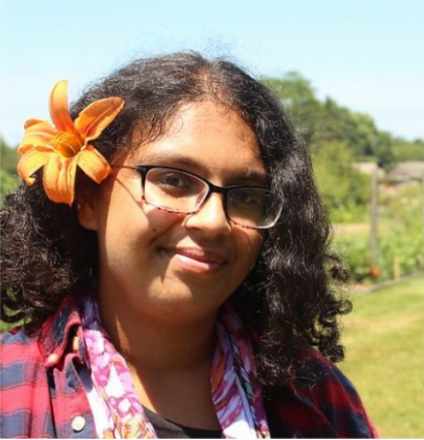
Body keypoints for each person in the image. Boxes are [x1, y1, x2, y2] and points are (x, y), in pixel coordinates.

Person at [0, 52, 378, 439]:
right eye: (175, 181)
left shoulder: (316, 395)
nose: (213, 221)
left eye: (246, 195)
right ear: (87, 199)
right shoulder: (10, 389)